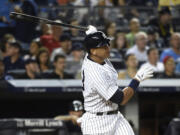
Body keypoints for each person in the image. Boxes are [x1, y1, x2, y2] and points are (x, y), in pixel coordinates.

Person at [79, 25, 153, 135]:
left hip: (116, 117)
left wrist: (93, 34)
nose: (108, 48)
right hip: (96, 122)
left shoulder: (95, 57)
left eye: (107, 44)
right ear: (93, 51)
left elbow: (90, 46)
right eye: (103, 46)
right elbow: (121, 99)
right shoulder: (94, 72)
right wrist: (137, 79)